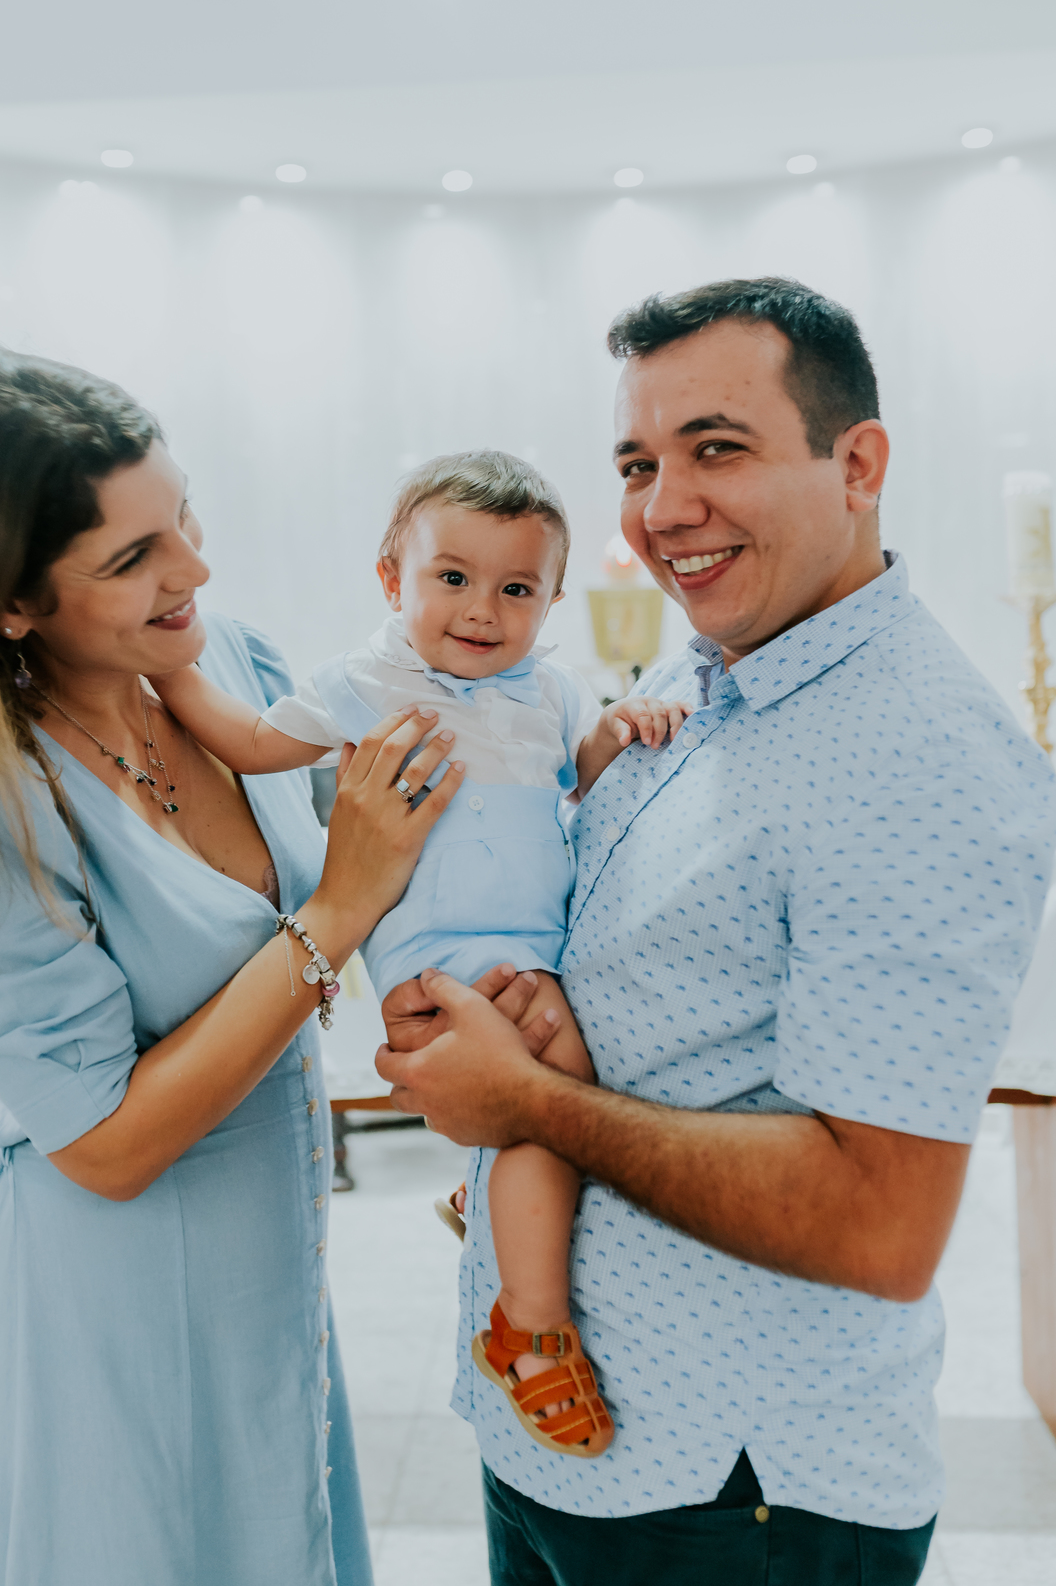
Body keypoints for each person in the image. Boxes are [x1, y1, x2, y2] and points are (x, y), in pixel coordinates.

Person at [375, 279, 1056, 1586]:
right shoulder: (701, 668)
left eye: (718, 449)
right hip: (565, 1445)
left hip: (734, 1491)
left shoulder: (920, 753)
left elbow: (880, 1221)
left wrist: (531, 1100)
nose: (662, 506)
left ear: (857, 463)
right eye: (638, 462)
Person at [0, 348, 466, 1586]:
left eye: (180, 515)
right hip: (99, 1321)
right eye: (133, 559)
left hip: (273, 1285)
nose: (193, 568)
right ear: (12, 602)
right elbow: (110, 1147)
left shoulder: (225, 657)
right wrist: (339, 910)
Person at [151, 450, 689, 1458]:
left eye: (516, 588)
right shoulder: (365, 684)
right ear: (392, 579)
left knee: (578, 1091)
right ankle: (527, 1328)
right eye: (453, 577)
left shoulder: (551, 693)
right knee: (551, 1104)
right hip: (440, 969)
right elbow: (255, 742)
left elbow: (589, 773)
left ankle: (486, 1194)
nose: (483, 609)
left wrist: (628, 724)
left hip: (539, 956)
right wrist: (168, 667)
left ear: (551, 600)